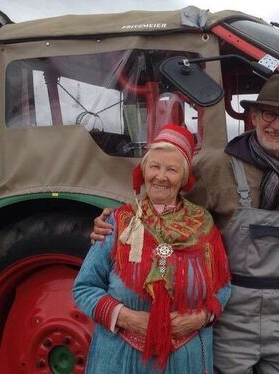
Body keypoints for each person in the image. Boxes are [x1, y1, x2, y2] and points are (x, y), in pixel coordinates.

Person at [91, 75, 279, 373]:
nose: (277, 125)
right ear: (253, 115)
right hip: (233, 310)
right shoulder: (216, 166)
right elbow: (165, 195)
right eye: (269, 114)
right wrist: (117, 221)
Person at [73, 124, 231, 373]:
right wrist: (126, 317)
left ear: (184, 178)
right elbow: (84, 287)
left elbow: (223, 287)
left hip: (185, 357)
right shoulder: (118, 222)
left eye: (172, 169)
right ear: (144, 170)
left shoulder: (204, 226)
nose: (161, 176)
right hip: (122, 356)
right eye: (154, 166)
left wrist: (201, 318)